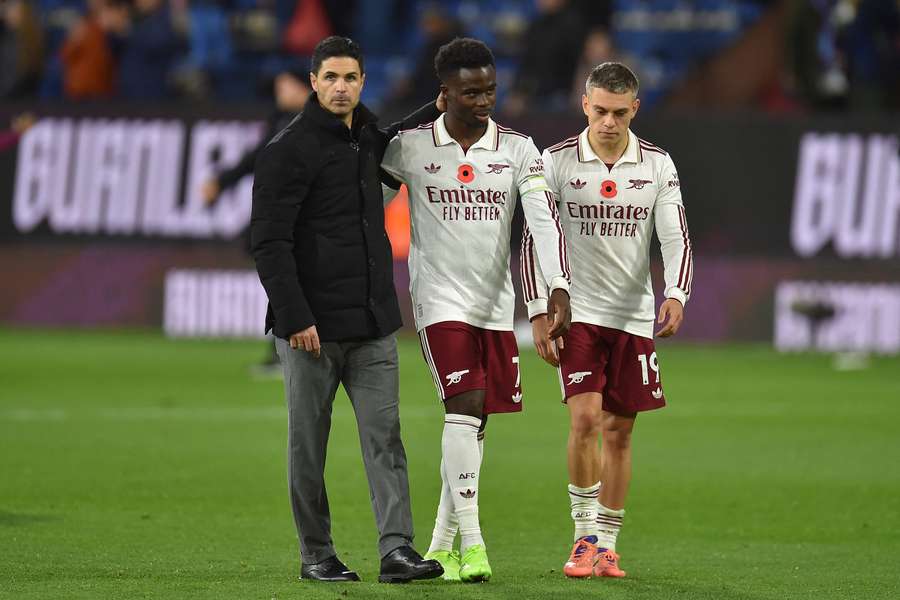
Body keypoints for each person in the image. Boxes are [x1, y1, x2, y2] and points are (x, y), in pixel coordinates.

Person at [250, 36, 444, 584]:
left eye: (350, 78)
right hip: (311, 328)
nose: (340, 87)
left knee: (386, 437)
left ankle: (397, 551)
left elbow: (401, 130)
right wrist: (293, 318)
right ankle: (317, 553)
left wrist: (442, 102)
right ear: (313, 82)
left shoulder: (367, 140)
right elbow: (269, 243)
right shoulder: (286, 151)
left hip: (373, 324)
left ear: (363, 82)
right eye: (330, 77)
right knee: (308, 446)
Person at [380, 37, 572, 583]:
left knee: (473, 418)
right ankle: (476, 541)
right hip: (437, 299)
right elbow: (366, 202)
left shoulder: (519, 149)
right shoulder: (410, 148)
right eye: (471, 92)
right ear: (445, 94)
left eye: (490, 89)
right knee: (463, 402)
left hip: (494, 302)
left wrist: (556, 286)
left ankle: (441, 547)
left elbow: (542, 221)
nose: (485, 99)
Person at [521, 61, 693, 579]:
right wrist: (537, 309)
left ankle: (609, 546)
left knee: (619, 433)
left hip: (633, 317)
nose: (609, 122)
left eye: (620, 112)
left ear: (634, 109)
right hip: (576, 314)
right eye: (600, 111)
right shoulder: (554, 163)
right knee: (585, 421)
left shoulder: (657, 165)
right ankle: (582, 538)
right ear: (585, 105)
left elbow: (675, 236)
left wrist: (676, 292)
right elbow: (534, 238)